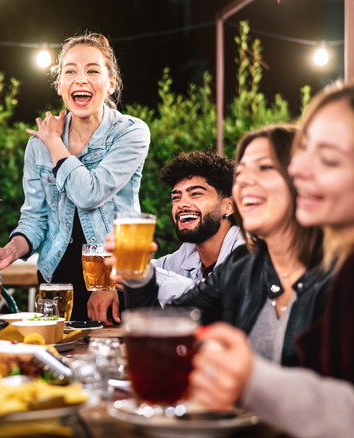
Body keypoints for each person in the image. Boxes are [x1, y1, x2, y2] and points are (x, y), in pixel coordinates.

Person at [190, 81, 354, 438]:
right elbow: (174, 317)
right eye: (302, 153)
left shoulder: (337, 274)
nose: (298, 171)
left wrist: (251, 380)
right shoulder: (243, 266)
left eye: (327, 158)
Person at [113, 124, 333, 366]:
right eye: (242, 173)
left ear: (303, 181)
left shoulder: (336, 271)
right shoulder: (242, 265)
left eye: (265, 168)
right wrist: (139, 276)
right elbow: (161, 331)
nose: (246, 181)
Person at [0, 31, 150, 324]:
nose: (81, 79)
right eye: (70, 72)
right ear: (60, 86)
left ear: (110, 83)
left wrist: (54, 143)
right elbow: (35, 218)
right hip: (56, 279)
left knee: (111, 363)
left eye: (93, 70)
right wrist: (10, 251)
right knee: (53, 363)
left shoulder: (131, 133)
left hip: (113, 279)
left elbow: (89, 193)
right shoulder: (37, 146)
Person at [121, 150, 243, 306]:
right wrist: (112, 284)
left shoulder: (248, 250)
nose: (181, 204)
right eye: (176, 197)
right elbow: (147, 270)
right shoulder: (188, 252)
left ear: (229, 206)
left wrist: (145, 277)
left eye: (196, 194)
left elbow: (224, 297)